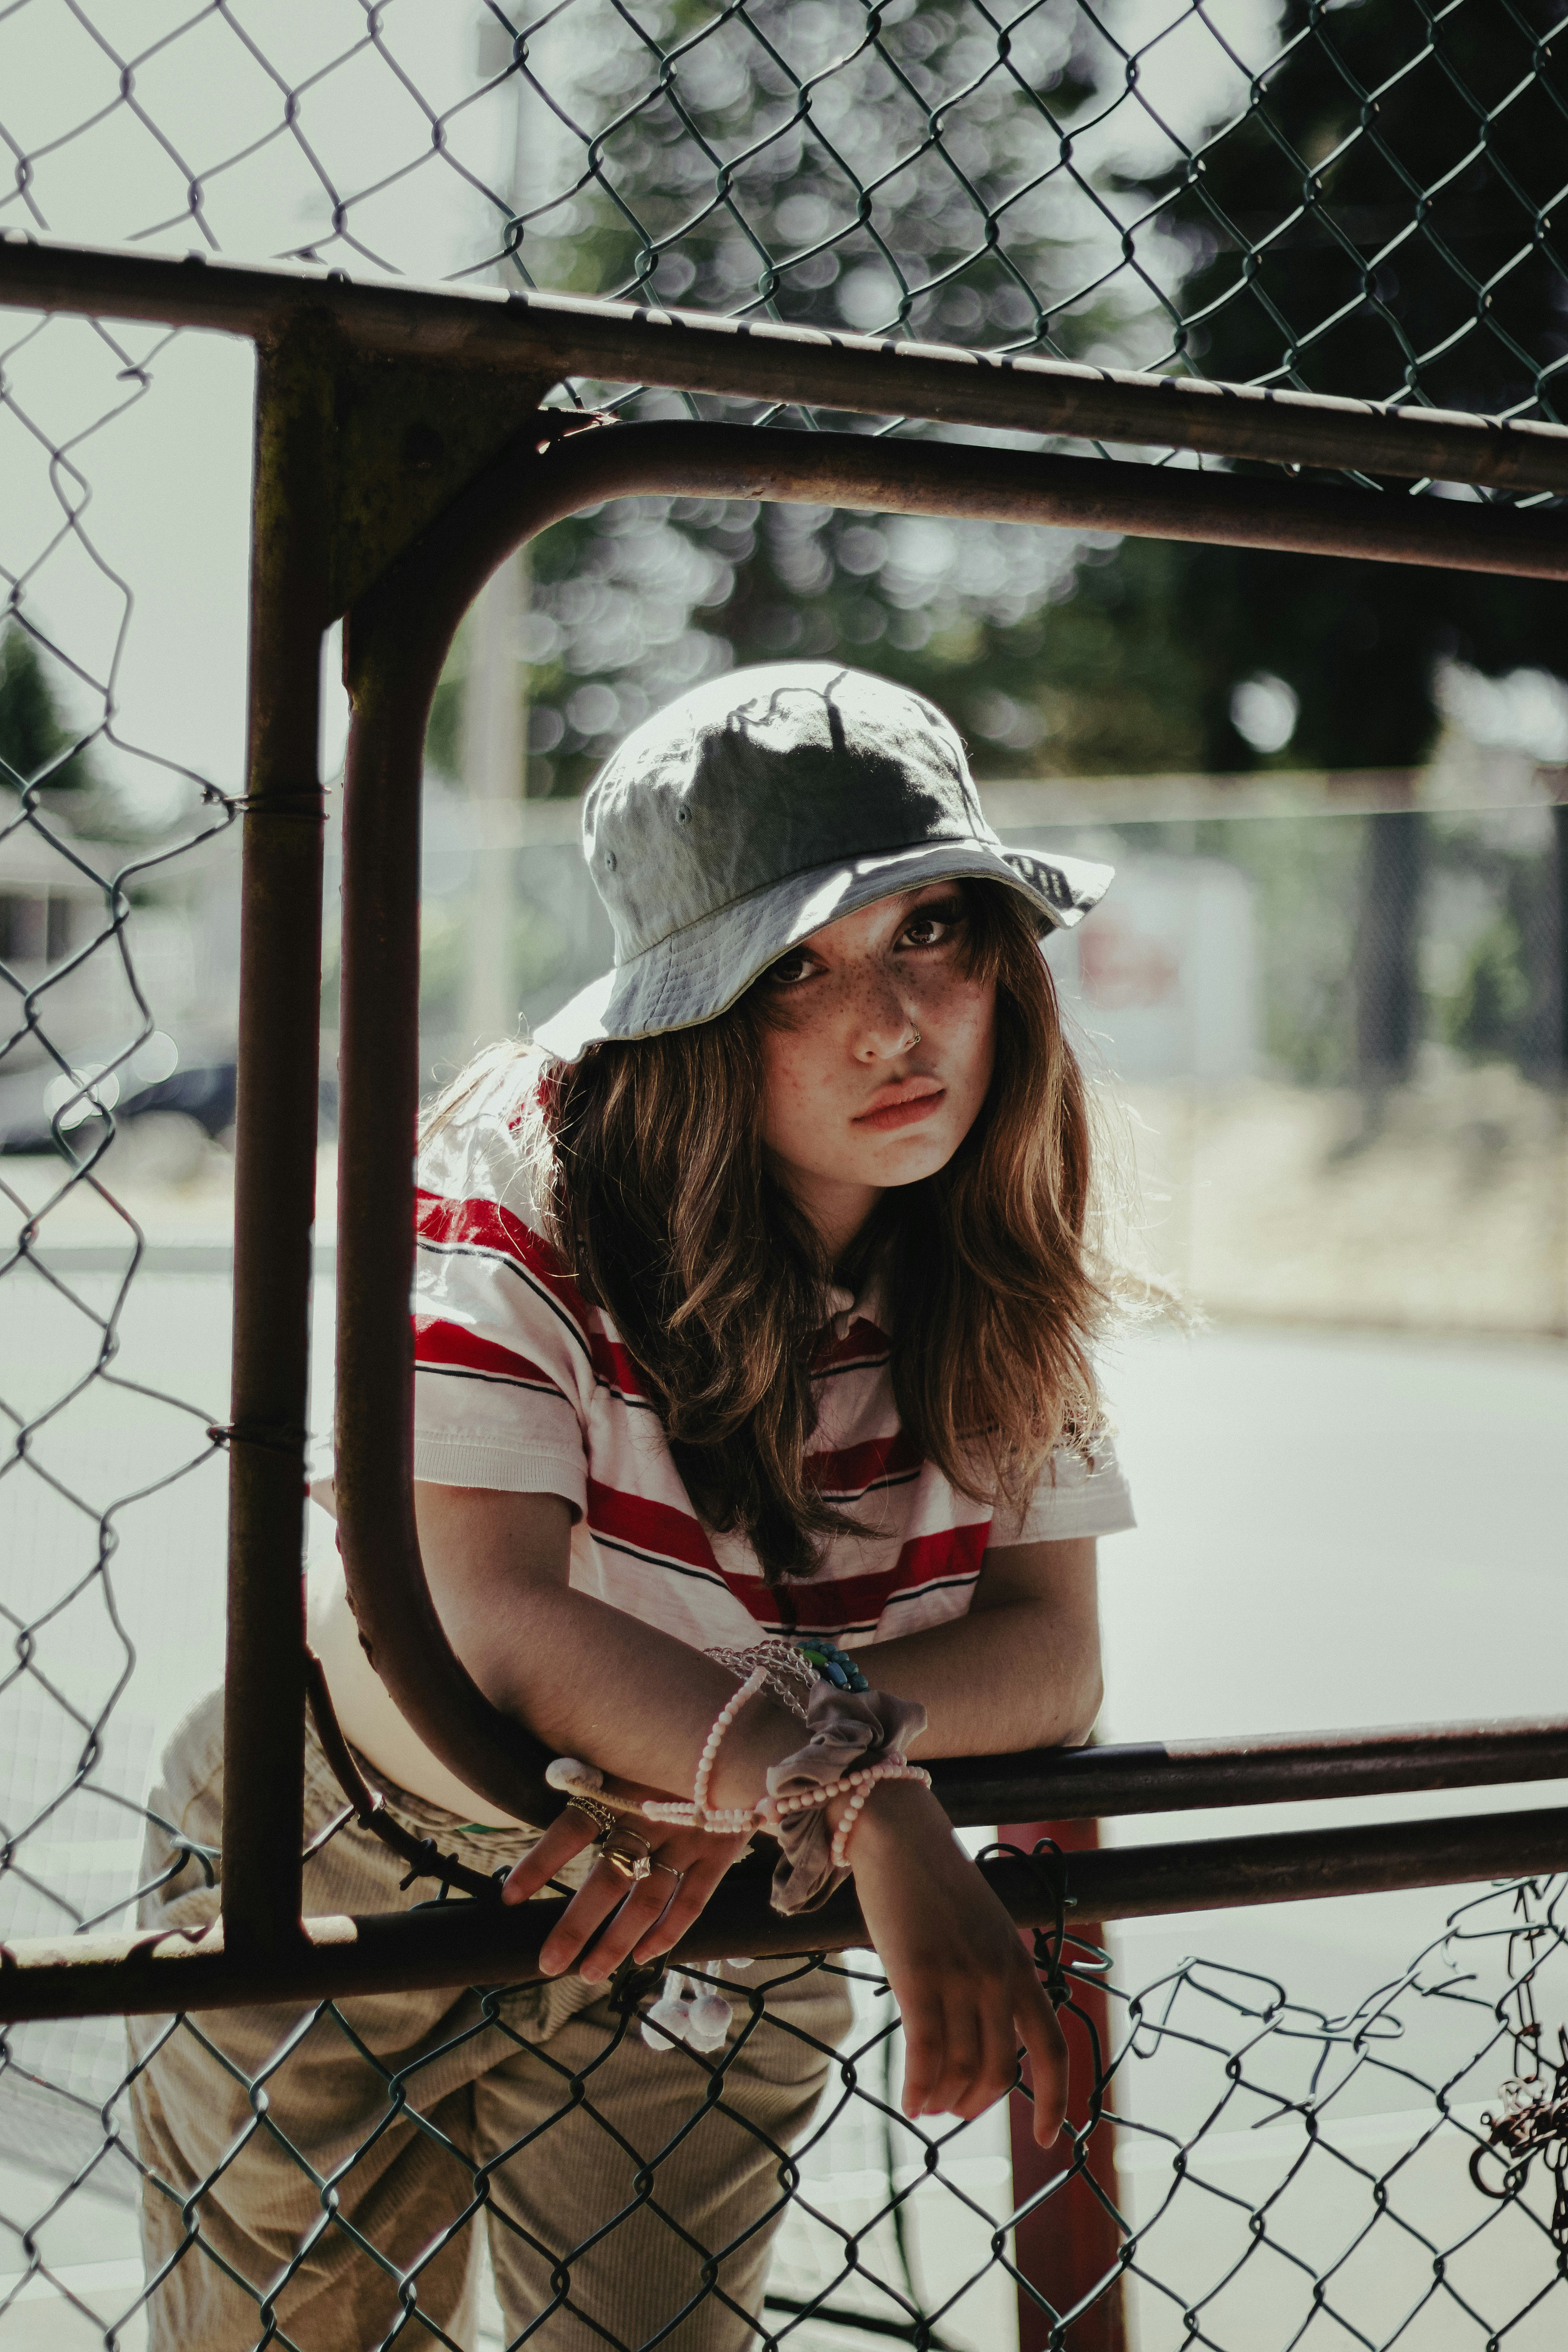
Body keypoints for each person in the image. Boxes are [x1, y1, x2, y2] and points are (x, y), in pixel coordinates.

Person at [130, 662, 1135, 2350]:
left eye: (929, 935)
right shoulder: (524, 1168)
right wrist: (850, 1791)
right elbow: (484, 1612)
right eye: (794, 971)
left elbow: (1052, 1653)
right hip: (367, 1849)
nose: (894, 1028)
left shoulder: (993, 1235)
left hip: (718, 1895)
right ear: (687, 1003)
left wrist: (746, 1777)